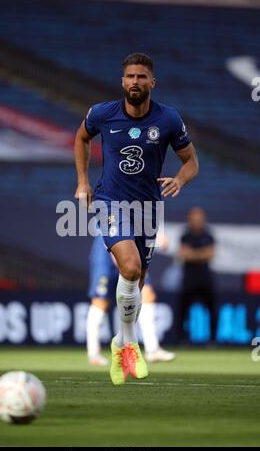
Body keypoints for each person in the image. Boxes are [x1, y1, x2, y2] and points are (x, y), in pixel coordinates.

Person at [74, 53, 198, 385]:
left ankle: (122, 343)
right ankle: (127, 344)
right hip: (110, 203)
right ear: (122, 81)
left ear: (152, 83)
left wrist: (180, 179)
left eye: (141, 77)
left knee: (136, 286)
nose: (135, 82)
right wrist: (83, 181)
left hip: (147, 209)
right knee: (129, 269)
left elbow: (191, 161)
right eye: (129, 76)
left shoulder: (168, 120)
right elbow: (82, 138)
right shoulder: (103, 113)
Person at [87, 234, 175, 366]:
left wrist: (157, 236)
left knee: (147, 294)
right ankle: (93, 352)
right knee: (101, 302)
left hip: (131, 245)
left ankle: (152, 349)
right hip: (107, 248)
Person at [177, 207, 216, 344]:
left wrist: (193, 254)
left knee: (211, 309)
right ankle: (181, 339)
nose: (197, 221)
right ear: (190, 219)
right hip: (189, 279)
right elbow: (184, 254)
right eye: (194, 218)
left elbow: (211, 254)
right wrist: (201, 254)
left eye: (199, 218)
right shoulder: (185, 235)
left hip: (205, 279)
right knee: (183, 310)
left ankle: (212, 341)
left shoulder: (208, 235)